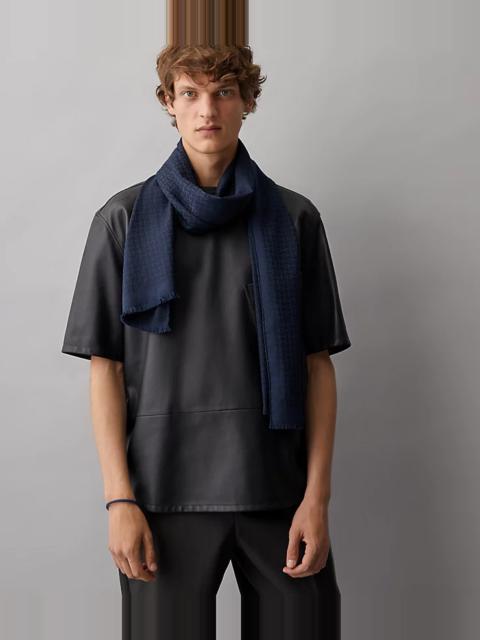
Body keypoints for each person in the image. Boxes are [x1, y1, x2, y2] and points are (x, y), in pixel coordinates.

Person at [61, 44, 351, 640]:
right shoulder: (123, 219)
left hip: (276, 492)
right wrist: (119, 501)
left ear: (247, 102)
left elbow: (317, 365)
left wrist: (316, 499)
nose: (207, 110)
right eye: (190, 93)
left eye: (223, 92)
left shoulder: (294, 219)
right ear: (168, 103)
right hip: (161, 498)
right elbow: (106, 368)